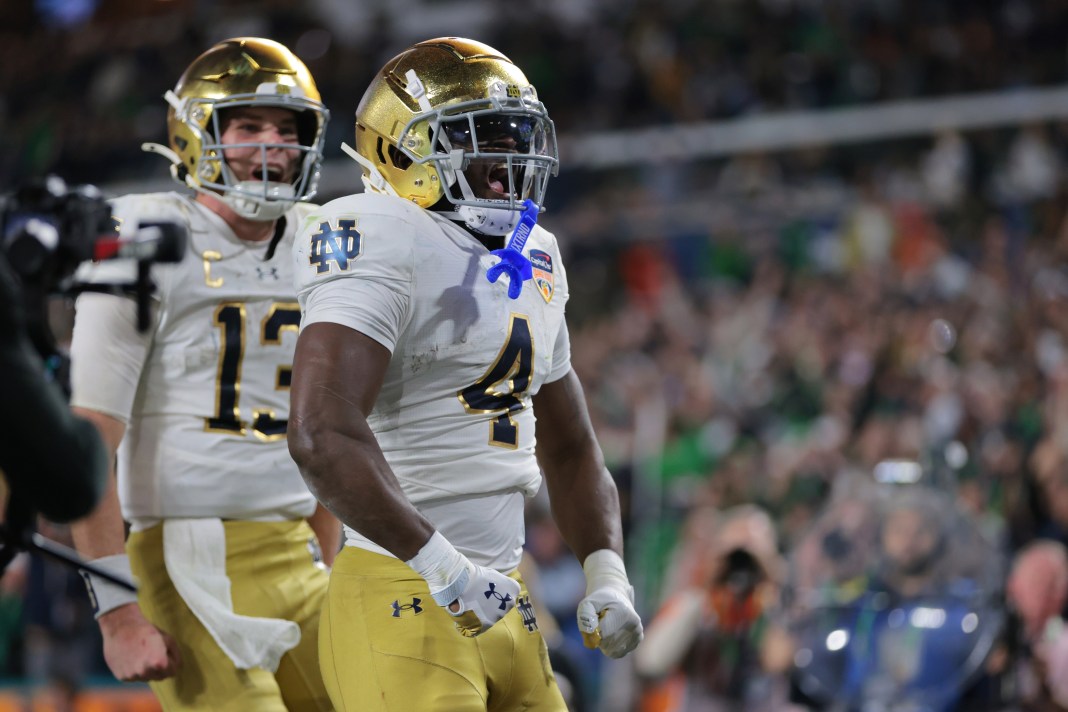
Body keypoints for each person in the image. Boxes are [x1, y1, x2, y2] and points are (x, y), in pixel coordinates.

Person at [286, 36, 644, 711]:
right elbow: (319, 431)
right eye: (479, 140)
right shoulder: (378, 232)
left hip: (507, 592)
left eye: (514, 139)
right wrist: (441, 566)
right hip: (401, 585)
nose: (507, 160)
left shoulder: (535, 255)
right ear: (402, 152)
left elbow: (569, 446)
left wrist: (606, 573)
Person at [66, 37, 338, 711]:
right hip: (189, 553)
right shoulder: (146, 237)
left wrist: (330, 549)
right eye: (247, 127)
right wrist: (116, 613)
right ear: (196, 135)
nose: (272, 146)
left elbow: (333, 423)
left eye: (287, 129)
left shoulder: (324, 241)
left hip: (298, 547)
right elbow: (88, 440)